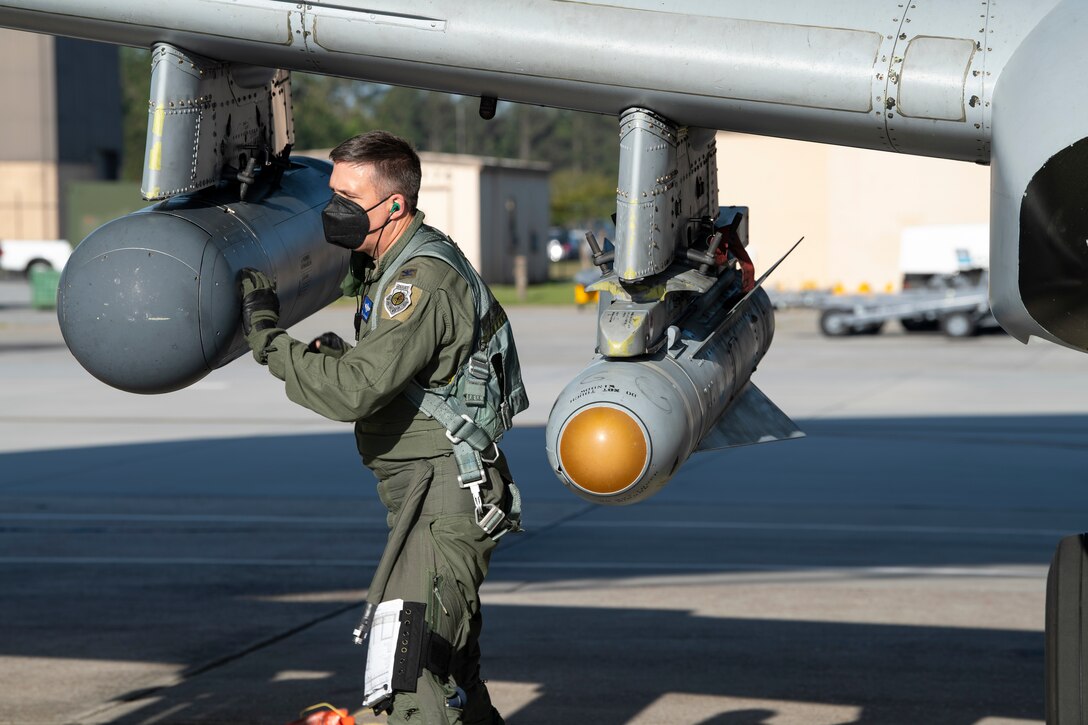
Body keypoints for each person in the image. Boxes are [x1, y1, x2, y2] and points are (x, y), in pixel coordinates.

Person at [237, 131, 527, 725]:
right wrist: (342, 352)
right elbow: (400, 373)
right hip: (424, 492)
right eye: (332, 193)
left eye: (349, 197)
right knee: (451, 670)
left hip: (442, 492)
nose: (334, 210)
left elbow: (353, 391)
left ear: (394, 205)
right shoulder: (391, 265)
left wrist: (269, 342)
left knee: (411, 675)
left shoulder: (418, 281)